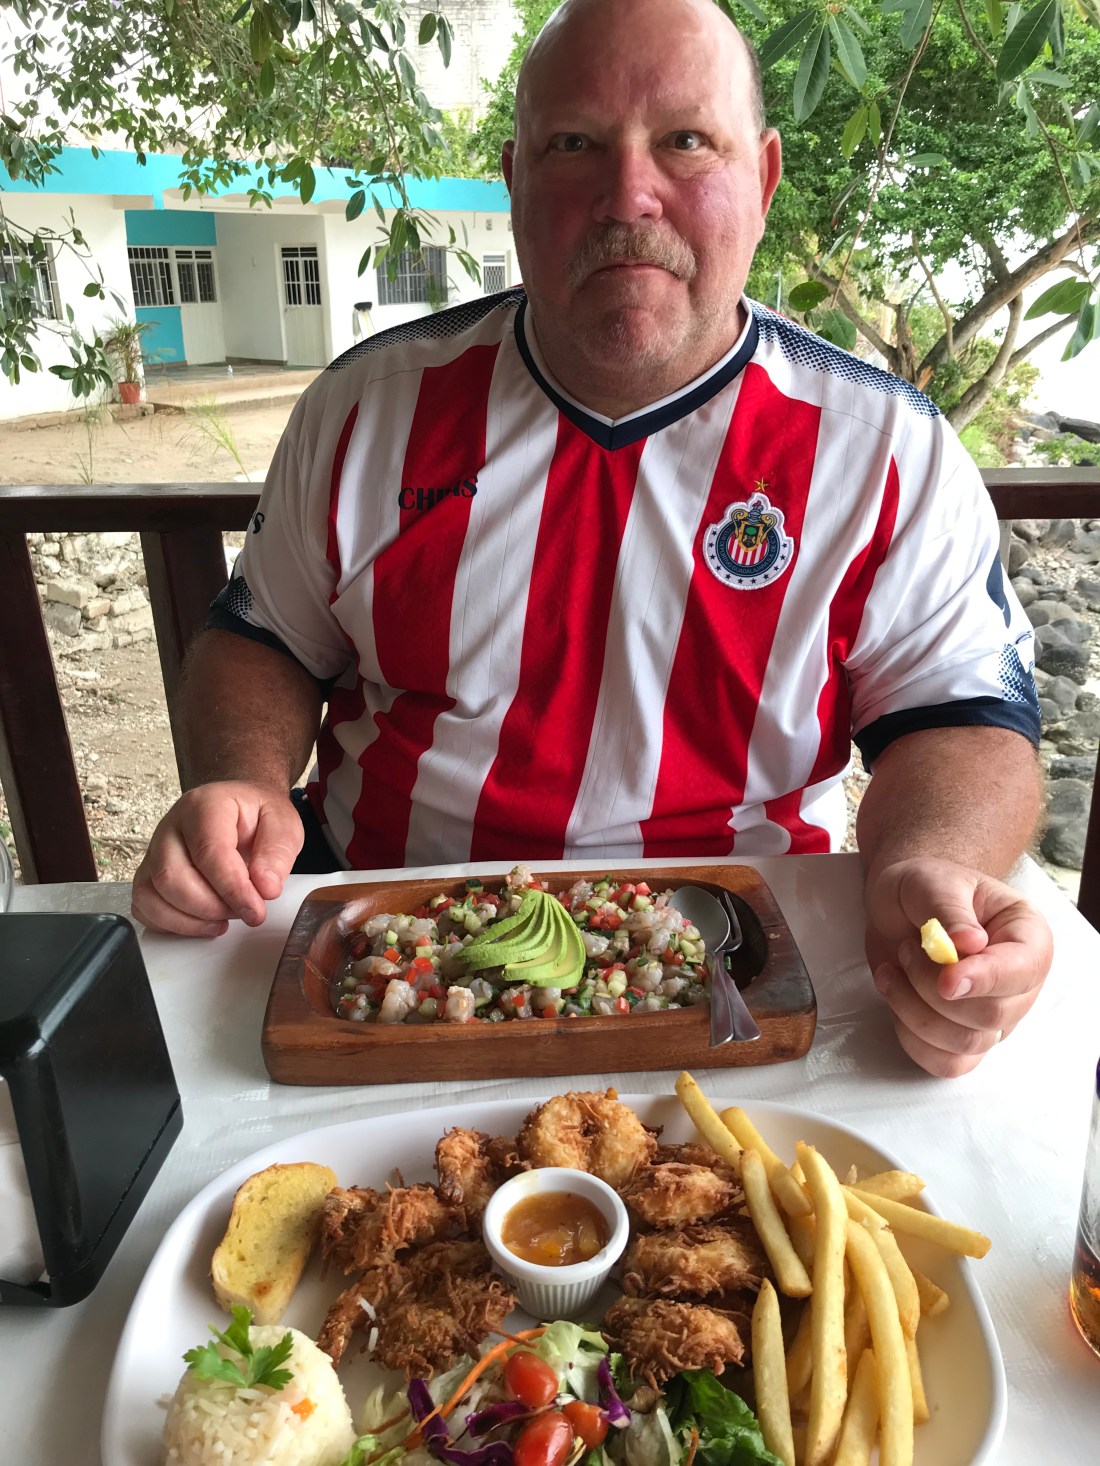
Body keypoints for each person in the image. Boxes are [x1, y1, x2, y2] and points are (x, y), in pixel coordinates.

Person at [133, 0, 1052, 1078]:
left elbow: (959, 716)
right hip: (385, 950)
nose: (628, 195)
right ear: (514, 179)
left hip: (736, 961)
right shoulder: (366, 409)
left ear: (761, 178)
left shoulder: (886, 448)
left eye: (685, 140)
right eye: (574, 144)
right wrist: (242, 783)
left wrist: (928, 867)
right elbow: (264, 640)